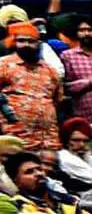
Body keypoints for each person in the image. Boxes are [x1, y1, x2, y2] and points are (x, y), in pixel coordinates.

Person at [0, 22, 62, 151]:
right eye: (21, 41)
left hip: (48, 140)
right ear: (13, 42)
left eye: (31, 41)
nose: (26, 45)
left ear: (38, 44)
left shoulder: (50, 70)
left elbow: (56, 100)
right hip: (13, 137)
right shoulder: (3, 65)